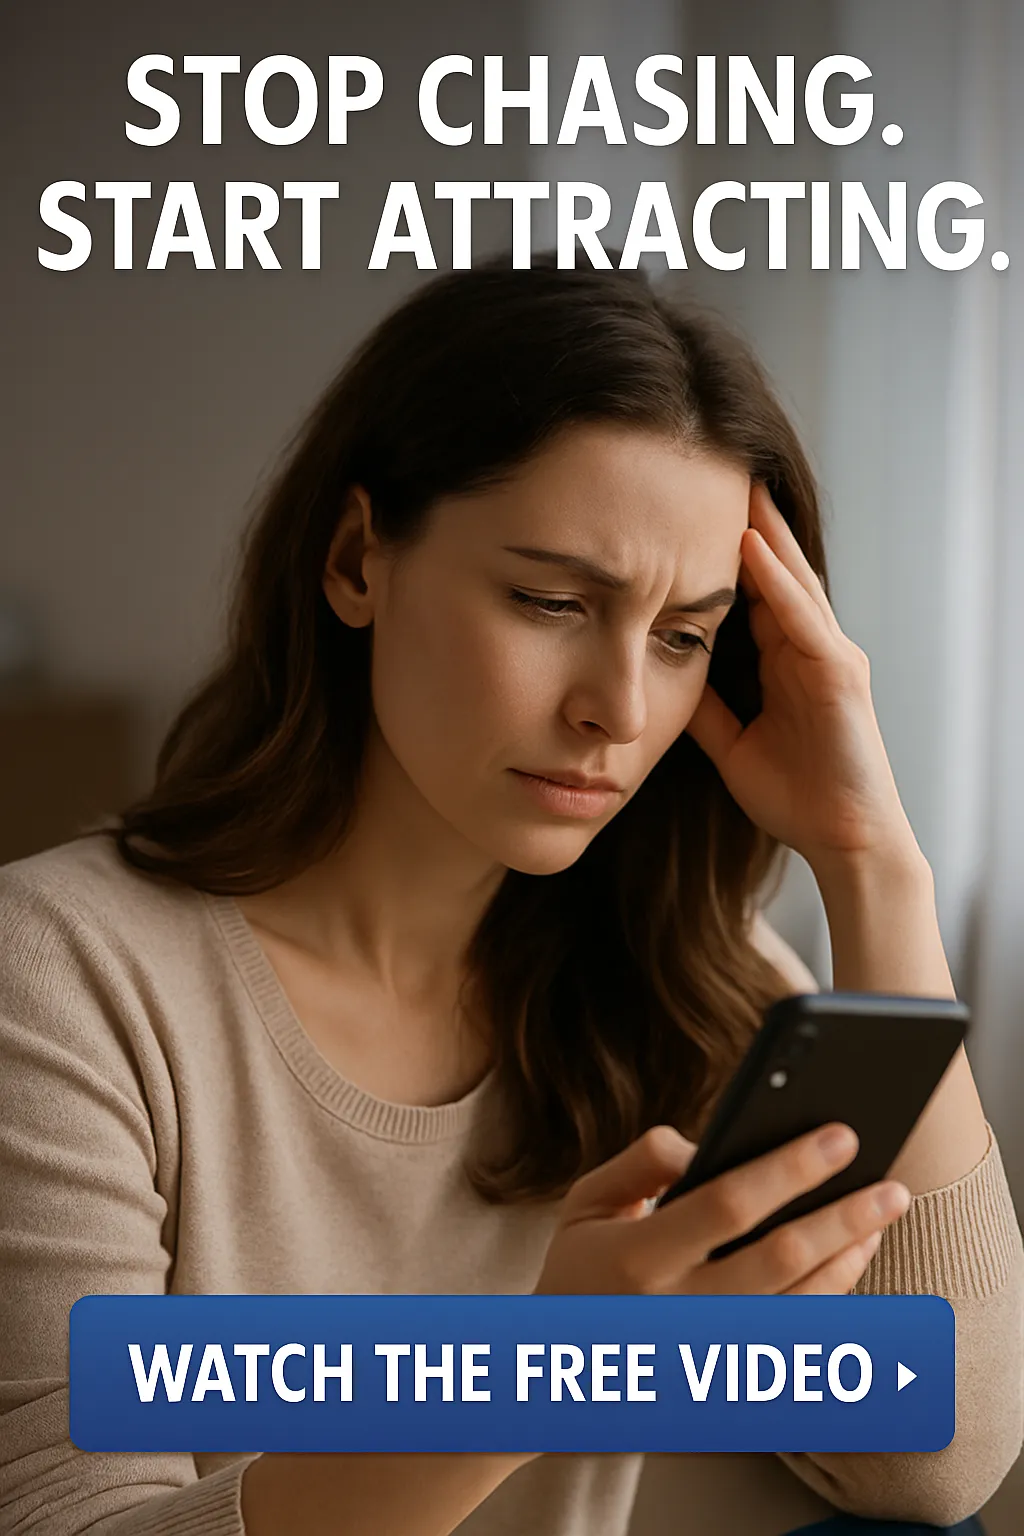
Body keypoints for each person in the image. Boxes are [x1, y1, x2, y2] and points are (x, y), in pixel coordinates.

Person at [0, 258, 1020, 1536]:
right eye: (551, 601)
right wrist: (539, 1374)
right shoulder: (60, 974)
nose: (620, 708)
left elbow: (933, 1468)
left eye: (683, 635)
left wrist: (874, 862)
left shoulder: (691, 971)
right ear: (357, 557)